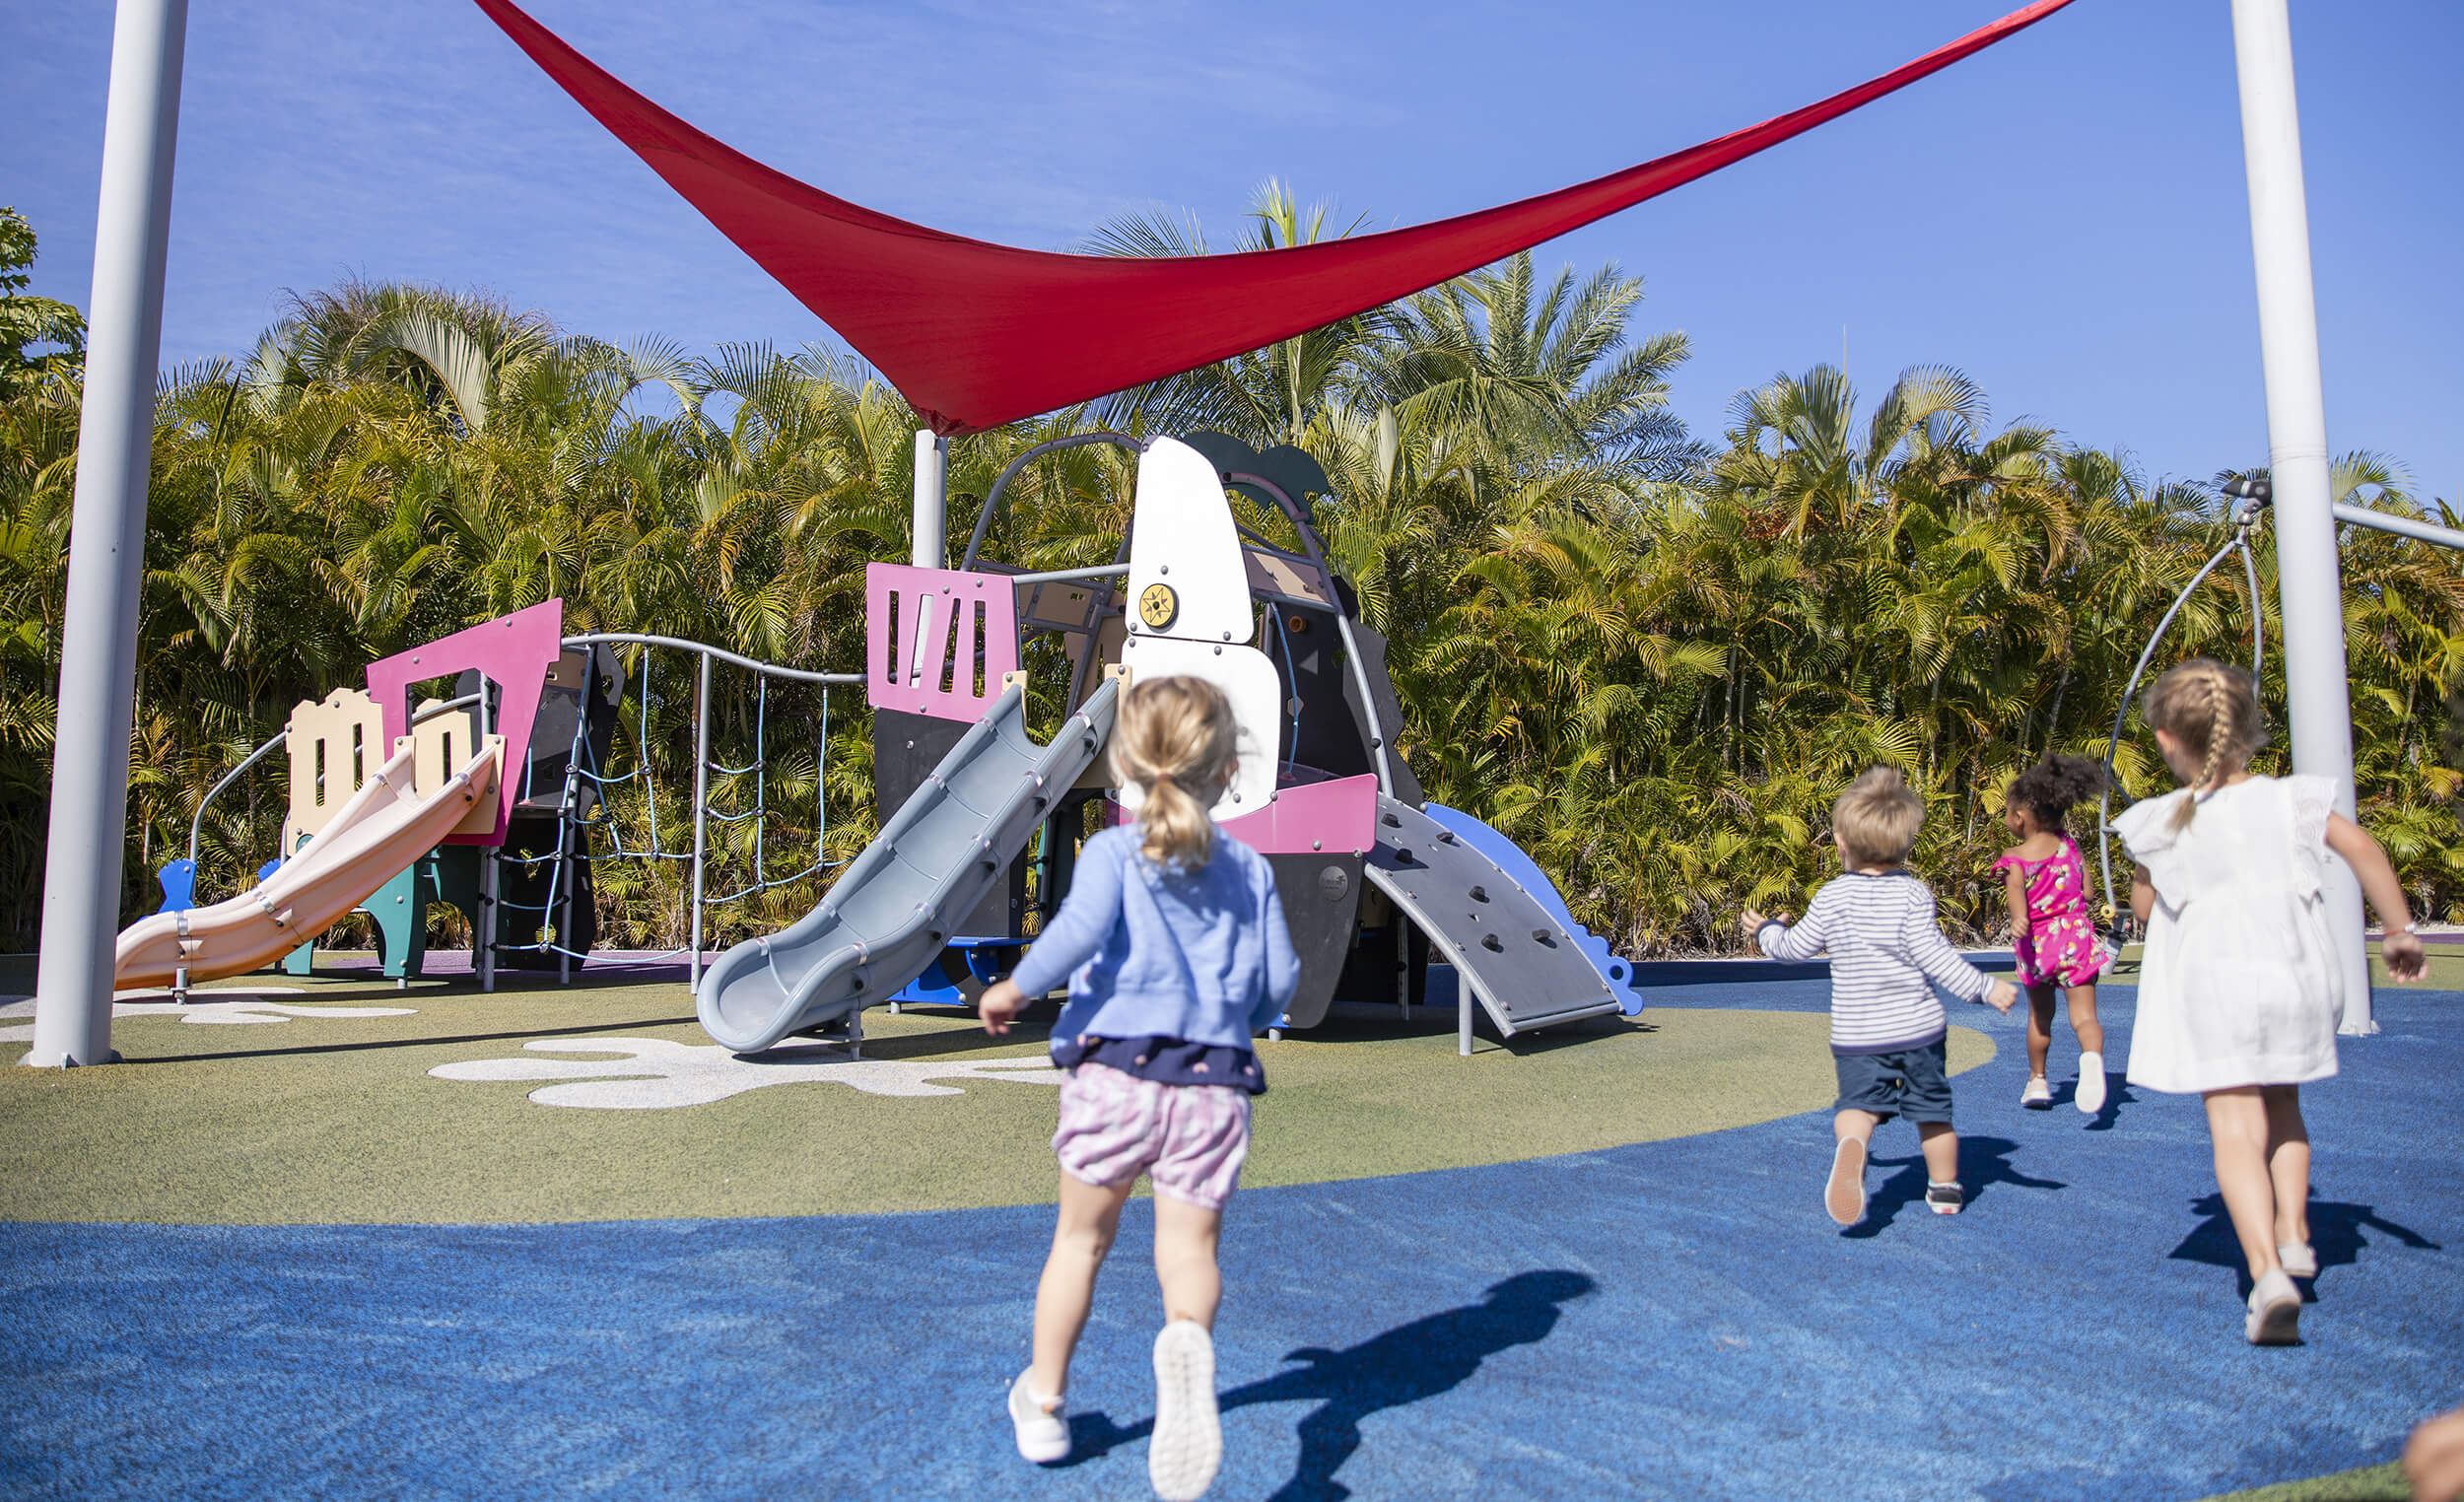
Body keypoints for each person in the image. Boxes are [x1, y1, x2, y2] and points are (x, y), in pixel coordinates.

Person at [977, 674, 1299, 1501]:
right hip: (1213, 1084)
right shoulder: (1251, 872)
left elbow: (1074, 933)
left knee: (1079, 1244)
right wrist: (1241, 1013)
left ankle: (1044, 1403)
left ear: (1124, 763)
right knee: (1189, 1251)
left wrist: (1015, 989)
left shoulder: (1115, 854)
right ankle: (1185, 1337)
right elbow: (1280, 981)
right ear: (1229, 770)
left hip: (1116, 1074)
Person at [2112, 658, 2425, 1346]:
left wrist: (2149, 889)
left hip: (2214, 985)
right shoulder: (2295, 800)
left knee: (2233, 1129)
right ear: (2249, 731)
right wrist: (2398, 931)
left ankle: (2266, 1275)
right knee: (2284, 1104)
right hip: (2294, 978)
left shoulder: (2159, 820)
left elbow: (2141, 906)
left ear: (2166, 740)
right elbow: (2365, 851)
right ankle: (2293, 1231)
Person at [1745, 766, 2018, 1225]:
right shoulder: (1913, 896)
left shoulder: (1830, 898)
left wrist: (1768, 931)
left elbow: (1793, 950)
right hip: (1917, 1032)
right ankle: (1945, 1187)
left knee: (1856, 1108)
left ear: (1840, 842)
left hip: (1858, 1034)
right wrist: (1984, 987)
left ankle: (1854, 1146)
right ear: (1906, 845)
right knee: (1933, 1113)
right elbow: (1936, 957)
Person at [1994, 754, 2113, 1115]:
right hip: (2075, 939)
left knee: (2040, 1018)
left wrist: (2019, 920)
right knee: (2085, 1017)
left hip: (2038, 945)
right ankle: (2090, 1058)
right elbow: (2089, 893)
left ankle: (2038, 1080)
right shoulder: (2070, 847)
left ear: (2021, 816)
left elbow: (2016, 894)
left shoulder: (2015, 857)